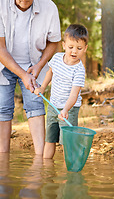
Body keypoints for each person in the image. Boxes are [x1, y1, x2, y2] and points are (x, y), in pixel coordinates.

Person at [0, 0, 61, 154]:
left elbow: (54, 42)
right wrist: (21, 74)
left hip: (33, 64)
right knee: (2, 108)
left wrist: (39, 66)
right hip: (3, 64)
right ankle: (3, 159)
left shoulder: (49, 6)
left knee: (35, 106)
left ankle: (40, 159)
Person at [34, 24, 88, 159]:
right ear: (64, 45)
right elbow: (50, 73)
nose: (74, 51)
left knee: (67, 142)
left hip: (69, 109)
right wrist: (42, 87)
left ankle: (67, 172)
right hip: (53, 106)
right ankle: (46, 168)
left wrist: (65, 110)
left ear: (85, 49)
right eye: (71, 47)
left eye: (79, 48)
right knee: (50, 139)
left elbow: (74, 95)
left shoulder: (79, 70)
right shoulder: (57, 58)